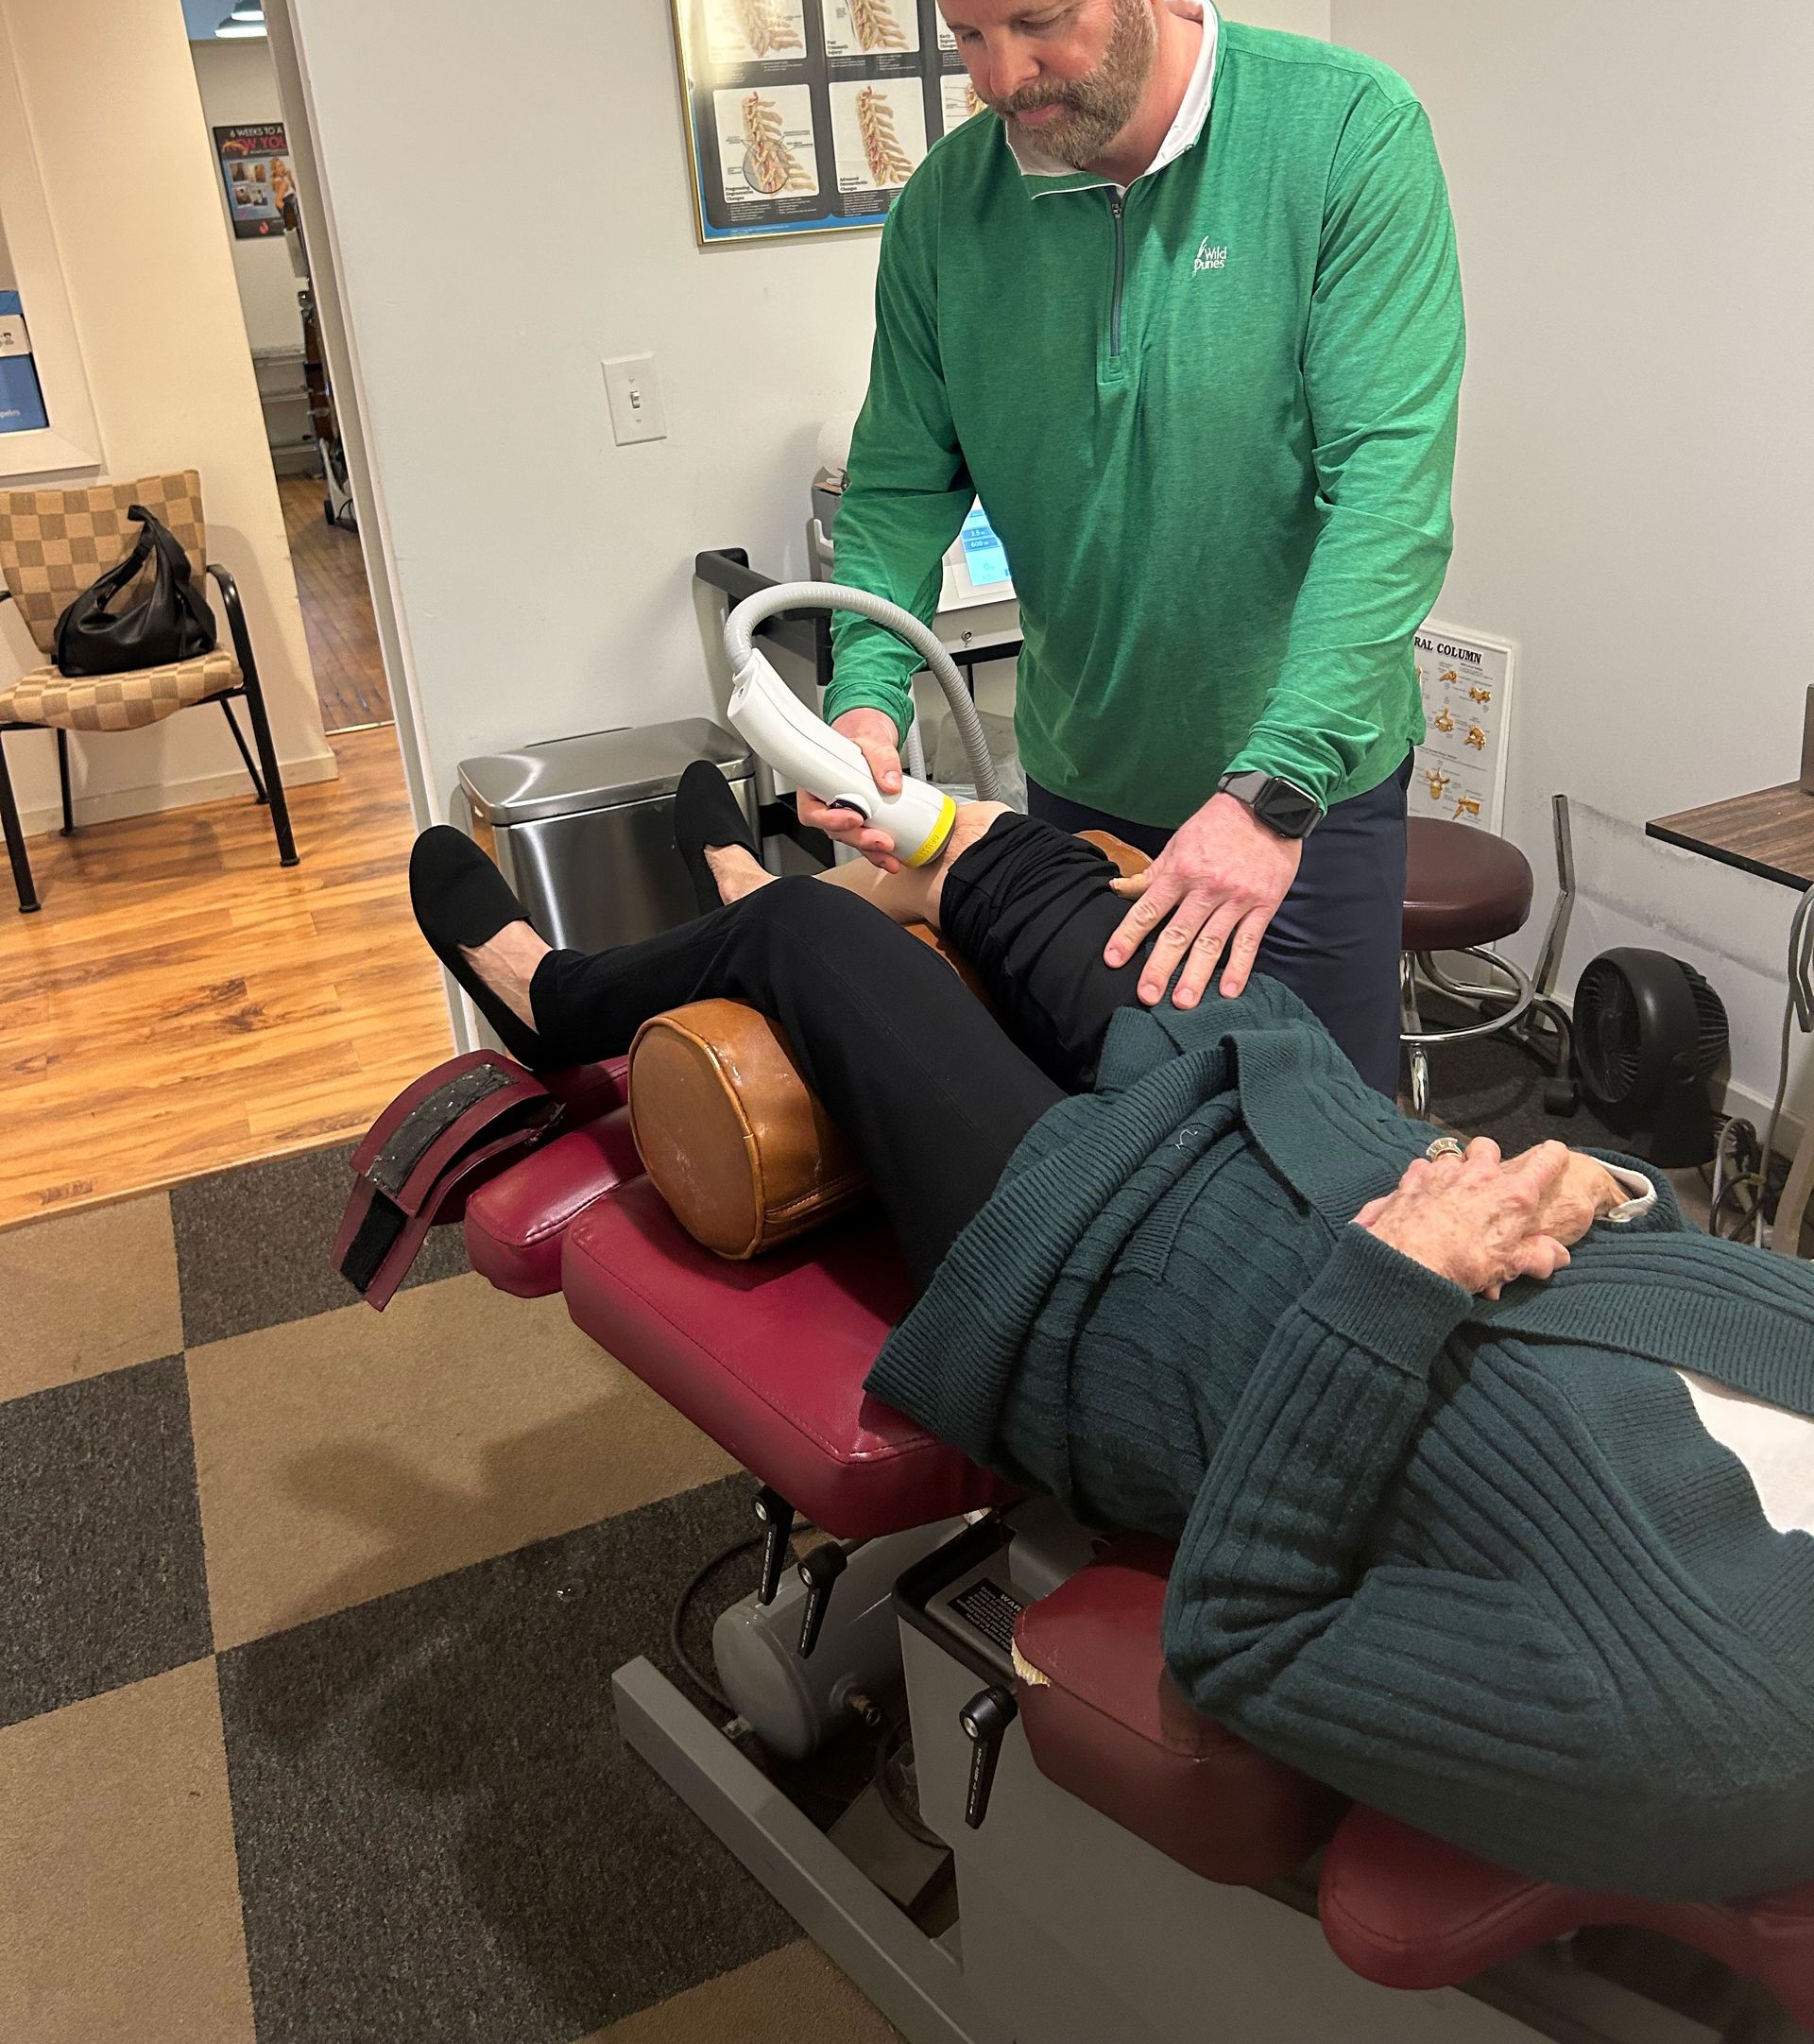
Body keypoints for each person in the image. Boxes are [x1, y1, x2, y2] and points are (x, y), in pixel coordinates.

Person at [411, 765, 1814, 1905]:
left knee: (810, 939)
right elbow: (1677, 1315)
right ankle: (740, 898)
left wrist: (1395, 1283)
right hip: (1308, 1125)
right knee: (1027, 864)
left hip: (1114, 1279)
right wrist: (1609, 1192)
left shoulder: (1717, 1727)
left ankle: (562, 994)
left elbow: (1244, 1641)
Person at [805, 0, 1465, 1099]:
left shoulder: (1345, 137)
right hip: (1083, 788)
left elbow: (1388, 493)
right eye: (967, 34)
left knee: (1317, 1183)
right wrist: (862, 707)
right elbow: (892, 492)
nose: (1000, 80)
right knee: (1116, 1163)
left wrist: (1272, 792)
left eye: (1038, 21)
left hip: (1307, 802)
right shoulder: (946, 213)